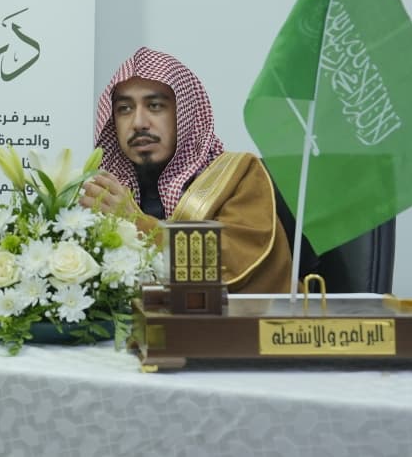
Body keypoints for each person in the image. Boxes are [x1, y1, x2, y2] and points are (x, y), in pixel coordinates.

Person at [80, 47, 292, 293]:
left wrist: (137, 225)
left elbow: (233, 262)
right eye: (124, 109)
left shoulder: (239, 175)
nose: (138, 123)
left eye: (155, 106)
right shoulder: (104, 195)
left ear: (186, 113)